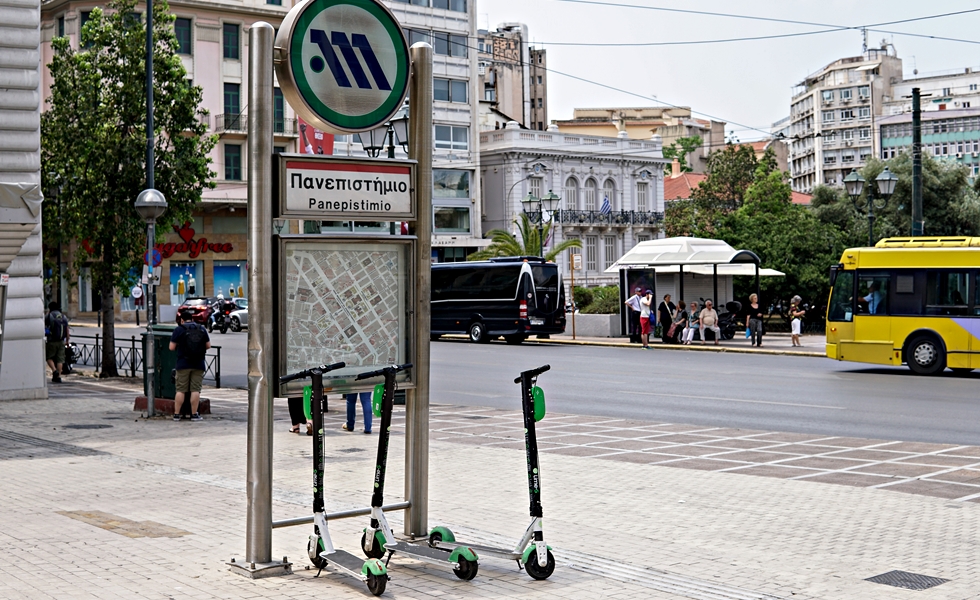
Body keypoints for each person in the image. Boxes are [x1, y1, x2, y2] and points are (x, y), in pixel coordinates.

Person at [169, 310, 211, 421]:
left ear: (182, 320)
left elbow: (171, 347)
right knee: (195, 390)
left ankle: (177, 414)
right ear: (192, 319)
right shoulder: (201, 328)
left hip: (183, 364)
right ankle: (194, 414)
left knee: (181, 390)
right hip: (198, 363)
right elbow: (208, 345)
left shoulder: (179, 329)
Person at [44, 302, 70, 383]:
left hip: (51, 341)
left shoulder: (49, 316)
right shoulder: (63, 317)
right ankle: (58, 376)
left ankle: (54, 370)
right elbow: (67, 329)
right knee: (60, 359)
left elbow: (43, 326)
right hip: (61, 341)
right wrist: (67, 340)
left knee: (49, 357)